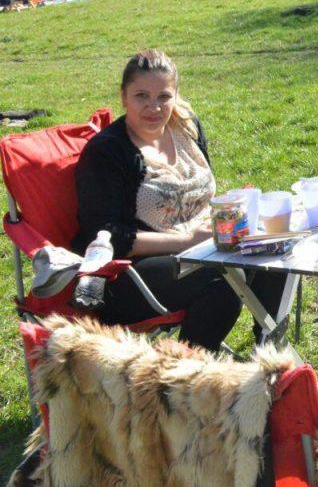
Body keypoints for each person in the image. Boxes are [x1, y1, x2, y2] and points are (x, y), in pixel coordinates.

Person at [72, 50, 288, 352]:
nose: (154, 107)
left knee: (275, 246)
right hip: (126, 273)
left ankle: (268, 350)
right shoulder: (107, 153)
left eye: (163, 96)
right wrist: (186, 240)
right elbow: (106, 237)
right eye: (141, 96)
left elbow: (201, 195)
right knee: (221, 278)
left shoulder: (186, 127)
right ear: (123, 97)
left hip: (205, 245)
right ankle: (183, 382)